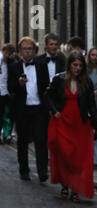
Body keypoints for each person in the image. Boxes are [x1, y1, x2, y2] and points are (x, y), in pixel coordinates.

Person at [45, 51, 97, 203]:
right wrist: (55, 111)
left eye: (80, 66)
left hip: (80, 124)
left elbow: (91, 104)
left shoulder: (86, 82)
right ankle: (65, 185)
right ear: (69, 64)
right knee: (64, 155)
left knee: (78, 158)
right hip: (63, 121)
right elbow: (48, 95)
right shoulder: (59, 79)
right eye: (75, 65)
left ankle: (75, 188)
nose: (77, 68)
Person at [7, 37, 50, 182]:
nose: (27, 52)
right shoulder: (14, 67)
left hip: (38, 108)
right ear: (20, 51)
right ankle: (24, 170)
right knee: (23, 141)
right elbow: (10, 88)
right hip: (22, 109)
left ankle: (42, 171)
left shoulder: (41, 65)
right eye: (24, 49)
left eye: (30, 49)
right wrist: (19, 84)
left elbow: (46, 87)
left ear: (34, 51)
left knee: (40, 140)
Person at [0, 44, 16, 144]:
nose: (7, 55)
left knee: (8, 114)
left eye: (9, 54)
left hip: (7, 92)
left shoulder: (10, 63)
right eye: (6, 53)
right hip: (0, 92)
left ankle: (7, 135)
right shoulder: (0, 59)